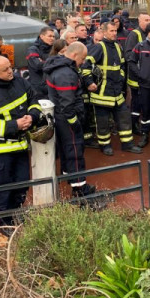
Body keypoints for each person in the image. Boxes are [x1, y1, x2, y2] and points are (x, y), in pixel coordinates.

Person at [0, 55, 44, 226]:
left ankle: (16, 213)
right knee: (3, 189)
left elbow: (34, 99)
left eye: (10, 67)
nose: (10, 71)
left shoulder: (20, 82)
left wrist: (32, 116)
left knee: (22, 184)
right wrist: (16, 125)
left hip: (20, 148)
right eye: (5, 70)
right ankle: (4, 222)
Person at [81, 22, 142, 156]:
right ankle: (105, 145)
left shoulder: (118, 46)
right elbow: (85, 66)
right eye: (111, 31)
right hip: (101, 95)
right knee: (102, 123)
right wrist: (89, 82)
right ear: (104, 32)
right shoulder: (98, 47)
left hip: (116, 93)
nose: (115, 33)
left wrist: (120, 80)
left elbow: (121, 66)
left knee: (124, 119)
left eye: (115, 31)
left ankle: (127, 144)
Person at [45, 42, 97, 197]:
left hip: (61, 118)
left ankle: (72, 179)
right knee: (75, 150)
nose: (83, 62)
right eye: (82, 58)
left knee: (67, 151)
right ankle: (80, 190)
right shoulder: (66, 74)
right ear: (74, 55)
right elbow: (67, 103)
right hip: (67, 119)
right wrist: (74, 122)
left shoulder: (59, 68)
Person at [123, 13, 150, 138]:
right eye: (146, 20)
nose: (148, 22)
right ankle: (134, 125)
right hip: (137, 78)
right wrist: (139, 72)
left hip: (149, 78)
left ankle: (146, 124)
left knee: (147, 102)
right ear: (139, 21)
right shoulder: (135, 34)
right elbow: (129, 55)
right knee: (136, 103)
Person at [26, 26, 56, 99]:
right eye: (49, 36)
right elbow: (37, 65)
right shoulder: (33, 49)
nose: (52, 38)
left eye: (53, 36)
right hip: (38, 89)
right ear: (42, 36)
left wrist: (44, 62)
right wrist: (54, 62)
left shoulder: (53, 49)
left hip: (52, 85)